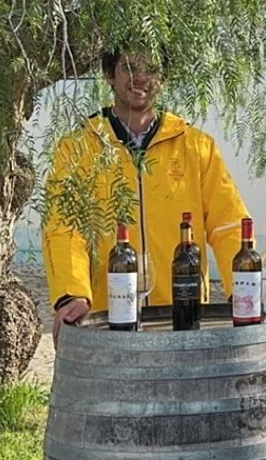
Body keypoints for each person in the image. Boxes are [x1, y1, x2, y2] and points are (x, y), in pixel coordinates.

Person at [44, 47, 251, 335]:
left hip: (181, 316)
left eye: (151, 69)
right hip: (107, 318)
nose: (140, 77)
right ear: (109, 75)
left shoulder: (196, 146)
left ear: (163, 79)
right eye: (129, 67)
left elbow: (228, 225)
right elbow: (64, 228)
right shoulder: (78, 147)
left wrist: (243, 293)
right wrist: (73, 294)